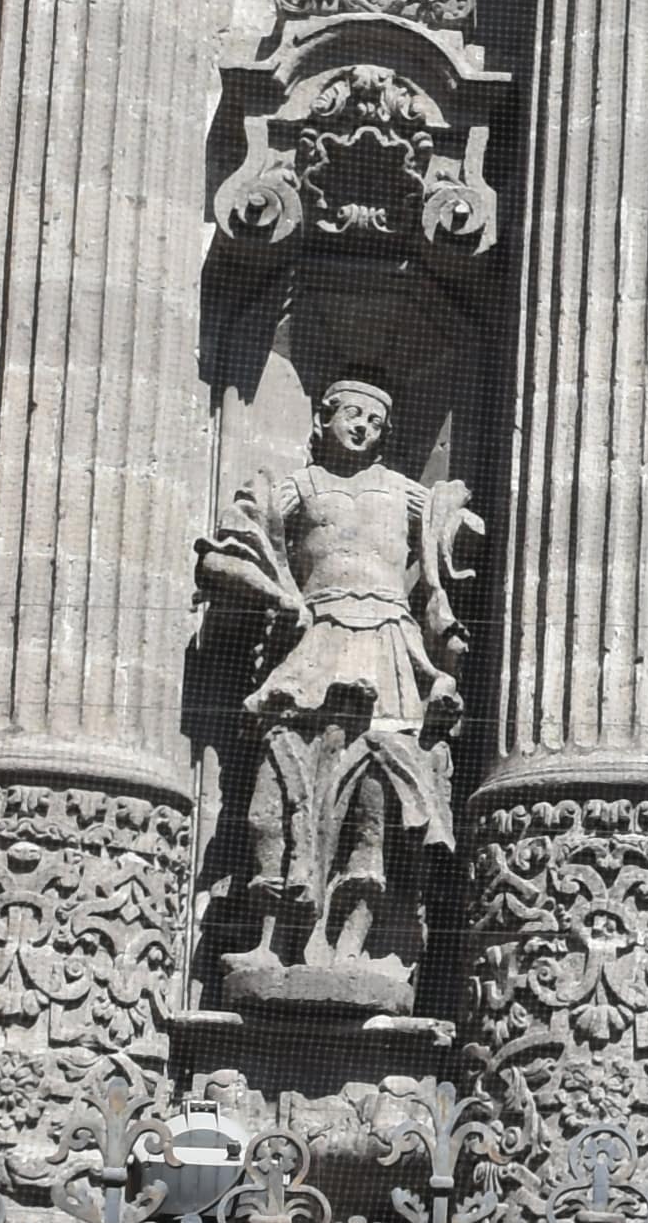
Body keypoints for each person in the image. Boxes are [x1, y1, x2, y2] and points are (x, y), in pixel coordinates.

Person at [200, 378, 480, 1007]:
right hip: (314, 645)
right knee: (275, 794)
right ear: (322, 419)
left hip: (390, 649)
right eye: (352, 414)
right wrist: (280, 595)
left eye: (376, 422)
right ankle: (273, 938)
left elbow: (454, 523)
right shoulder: (295, 489)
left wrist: (454, 526)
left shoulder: (403, 492)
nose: (362, 428)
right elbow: (220, 559)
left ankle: (357, 943)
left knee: (378, 801)